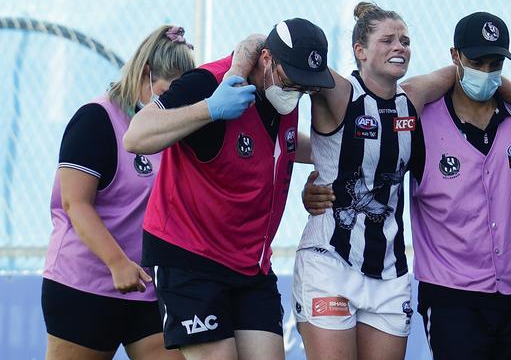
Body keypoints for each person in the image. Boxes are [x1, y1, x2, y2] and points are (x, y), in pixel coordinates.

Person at [122, 18, 334, 360]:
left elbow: (288, 146)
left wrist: (334, 162)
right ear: (266, 59)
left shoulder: (283, 96)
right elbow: (136, 136)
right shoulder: (209, 82)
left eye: (306, 88)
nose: (297, 92)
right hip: (189, 255)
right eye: (292, 81)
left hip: (250, 263)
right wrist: (209, 109)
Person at [409, 12, 511, 359]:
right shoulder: (422, 123)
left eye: (495, 62)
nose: (486, 72)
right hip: (451, 296)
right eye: (477, 61)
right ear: (455, 57)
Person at [42, 25, 194, 360]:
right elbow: (75, 203)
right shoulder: (96, 119)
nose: (173, 104)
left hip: (148, 289)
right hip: (85, 285)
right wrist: (117, 263)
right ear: (144, 75)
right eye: (167, 92)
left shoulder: (174, 129)